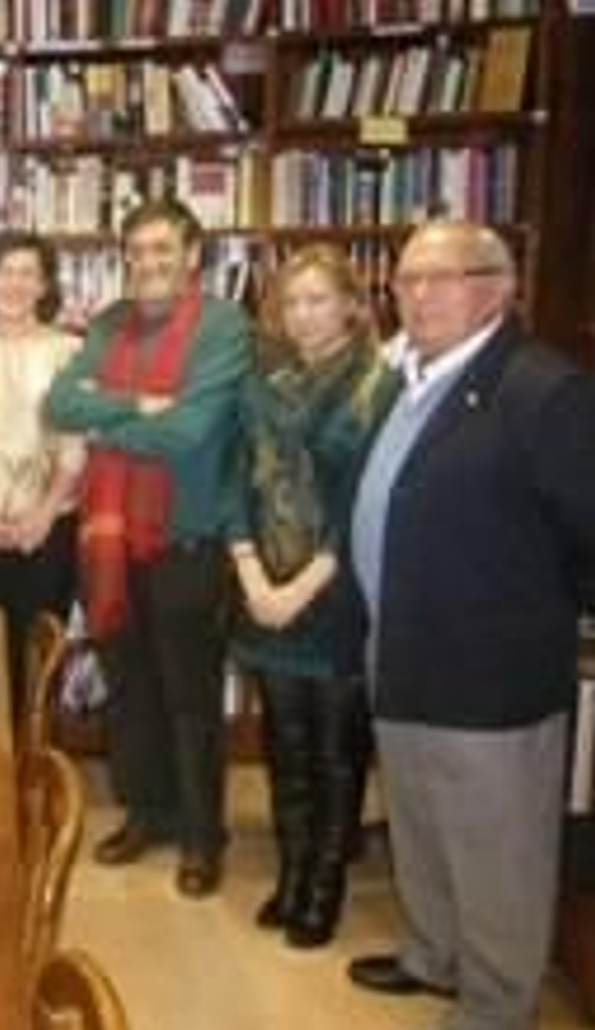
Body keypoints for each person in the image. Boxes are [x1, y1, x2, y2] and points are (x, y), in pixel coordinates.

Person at [347, 221, 595, 1030]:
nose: (418, 295)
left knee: (497, 853)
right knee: (420, 822)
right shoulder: (409, 376)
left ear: (498, 287)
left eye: (442, 277)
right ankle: (433, 955)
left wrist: (521, 614)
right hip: (404, 649)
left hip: (490, 672)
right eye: (407, 280)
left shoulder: (544, 390)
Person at [46, 198, 252, 898]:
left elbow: (192, 432)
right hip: (110, 541)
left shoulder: (224, 327)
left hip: (186, 535)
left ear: (192, 254)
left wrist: (105, 423)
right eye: (135, 252)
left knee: (190, 695)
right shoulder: (110, 323)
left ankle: (201, 835)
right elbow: (60, 403)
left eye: (162, 249)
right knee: (129, 685)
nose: (147, 264)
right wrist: (135, 405)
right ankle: (147, 813)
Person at [228, 245, 398, 948]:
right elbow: (237, 480)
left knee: (335, 750)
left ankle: (324, 887)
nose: (303, 315)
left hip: (334, 591)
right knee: (284, 744)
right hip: (264, 587)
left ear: (352, 306)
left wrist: (301, 586)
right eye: (292, 302)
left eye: (318, 300)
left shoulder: (380, 387)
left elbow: (363, 498)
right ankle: (292, 872)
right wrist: (250, 571)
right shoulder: (266, 385)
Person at [0, 229, 85, 704]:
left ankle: (41, 746)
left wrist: (44, 513)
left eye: (28, 273)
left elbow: (76, 442)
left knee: (44, 653)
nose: (15, 284)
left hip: (51, 521)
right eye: (4, 272)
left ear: (44, 285)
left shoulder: (70, 351)